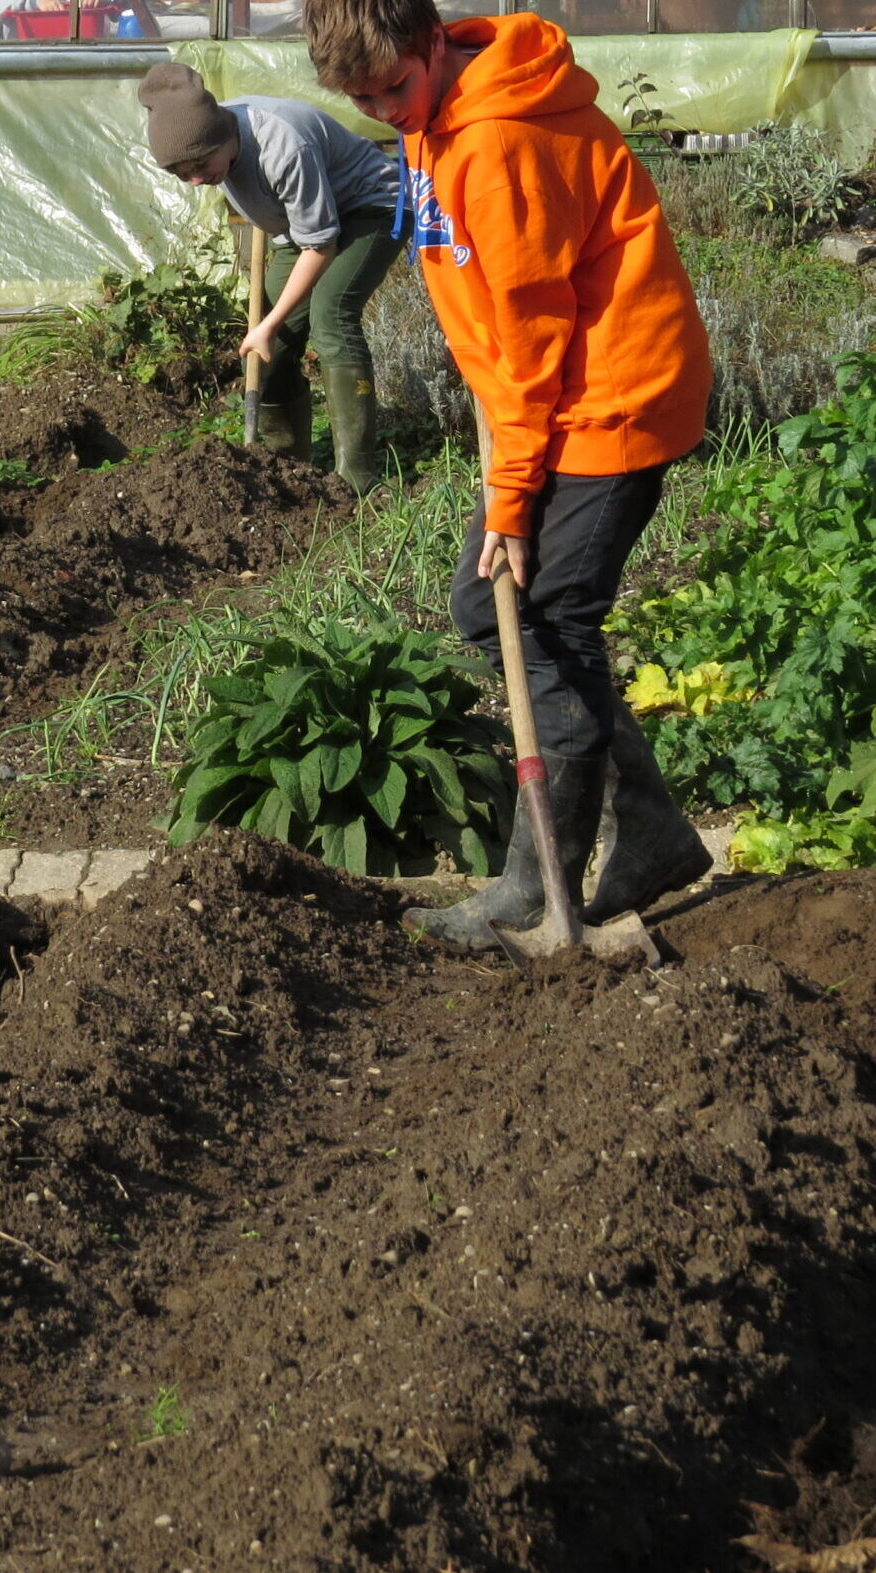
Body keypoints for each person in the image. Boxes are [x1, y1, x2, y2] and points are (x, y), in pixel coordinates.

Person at [301, 0, 713, 950]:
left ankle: (535, 892)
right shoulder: (436, 114)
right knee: (494, 608)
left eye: (394, 88)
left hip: (608, 395)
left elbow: (535, 339)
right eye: (364, 103)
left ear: (433, 42)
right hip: (558, 394)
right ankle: (649, 826)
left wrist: (512, 498)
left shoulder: (498, 141)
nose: (387, 112)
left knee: (542, 620)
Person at [137, 62, 400, 491]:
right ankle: (288, 471)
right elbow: (296, 228)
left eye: (201, 165)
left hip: (370, 206)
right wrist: (269, 328)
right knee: (269, 348)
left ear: (224, 137)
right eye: (183, 173)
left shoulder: (283, 146)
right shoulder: (213, 146)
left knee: (330, 314)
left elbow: (321, 244)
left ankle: (357, 480)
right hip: (305, 228)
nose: (197, 179)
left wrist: (270, 321)